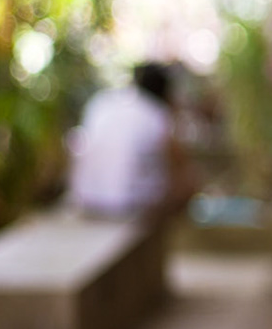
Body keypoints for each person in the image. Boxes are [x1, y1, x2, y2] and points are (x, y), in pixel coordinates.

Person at [68, 62, 194, 219]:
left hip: (86, 198)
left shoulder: (101, 101)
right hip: (127, 204)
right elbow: (178, 163)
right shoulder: (155, 113)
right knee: (184, 186)